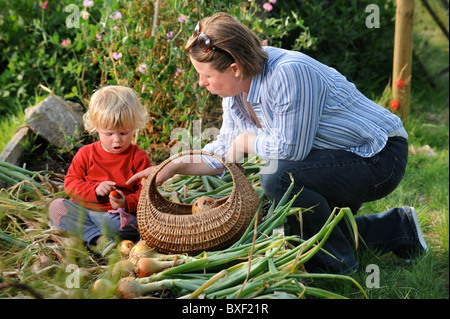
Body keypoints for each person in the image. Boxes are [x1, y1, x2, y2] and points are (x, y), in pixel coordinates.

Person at [127, 12, 427, 273]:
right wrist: (171, 167)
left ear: (235, 68)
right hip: (335, 158)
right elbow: (223, 149)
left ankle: (338, 265)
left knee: (278, 177)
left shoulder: (289, 73)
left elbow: (291, 149)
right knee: (291, 220)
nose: (201, 83)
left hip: (378, 156)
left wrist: (245, 141)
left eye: (206, 75)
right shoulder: (236, 95)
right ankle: (399, 227)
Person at [49, 85, 151, 256]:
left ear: (134, 126)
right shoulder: (86, 154)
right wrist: (94, 191)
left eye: (124, 133)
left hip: (116, 216)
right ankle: (97, 238)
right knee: (57, 208)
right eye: (109, 133)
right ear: (95, 128)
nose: (117, 140)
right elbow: (71, 183)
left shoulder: (138, 158)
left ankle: (93, 233)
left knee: (115, 223)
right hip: (85, 209)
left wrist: (126, 202)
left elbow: (146, 193)